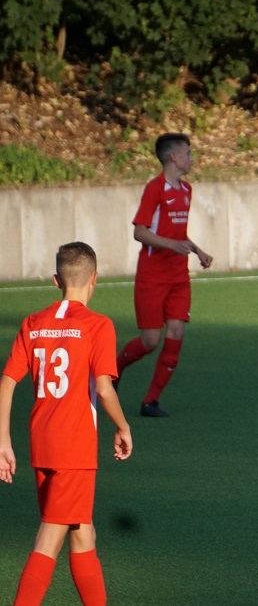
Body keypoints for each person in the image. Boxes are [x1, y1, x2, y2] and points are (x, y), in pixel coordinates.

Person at [0, 242, 133, 606]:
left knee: (82, 532)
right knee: (49, 538)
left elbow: (7, 382)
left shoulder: (33, 322)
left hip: (42, 444)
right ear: (95, 279)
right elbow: (104, 389)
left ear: (56, 280)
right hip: (74, 448)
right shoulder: (98, 325)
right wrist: (123, 427)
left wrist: (4, 442)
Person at [115, 132, 213, 418]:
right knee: (150, 341)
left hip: (178, 276)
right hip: (152, 276)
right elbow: (140, 232)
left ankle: (151, 402)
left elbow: (177, 233)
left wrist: (197, 250)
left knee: (177, 332)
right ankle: (114, 370)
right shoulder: (155, 189)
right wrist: (172, 245)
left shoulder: (187, 190)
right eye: (188, 153)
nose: (192, 158)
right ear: (173, 157)